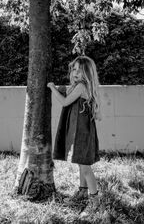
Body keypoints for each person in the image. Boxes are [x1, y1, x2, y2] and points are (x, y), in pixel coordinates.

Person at [47, 55, 101, 210]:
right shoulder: (79, 86)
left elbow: (64, 101)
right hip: (80, 131)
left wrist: (51, 88)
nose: (75, 72)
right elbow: (67, 92)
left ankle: (94, 201)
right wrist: (61, 88)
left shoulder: (81, 87)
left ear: (87, 73)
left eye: (80, 69)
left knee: (84, 166)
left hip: (82, 132)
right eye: (74, 69)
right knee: (80, 162)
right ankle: (83, 191)